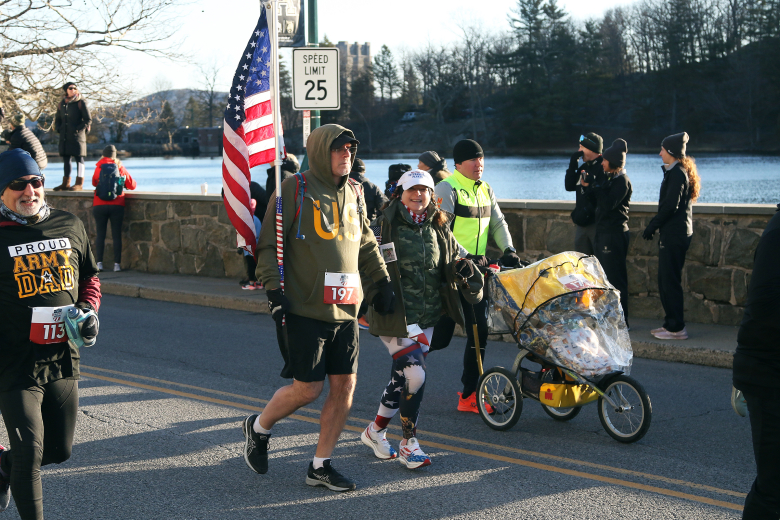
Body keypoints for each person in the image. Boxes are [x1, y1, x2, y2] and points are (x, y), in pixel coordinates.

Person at [244, 124, 392, 492]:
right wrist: (273, 293)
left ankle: (320, 465)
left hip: (346, 310)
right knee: (307, 390)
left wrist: (383, 282)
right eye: (339, 149)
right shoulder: (296, 188)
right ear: (321, 150)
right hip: (303, 308)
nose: (347, 155)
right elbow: (267, 246)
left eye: (351, 150)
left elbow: (368, 244)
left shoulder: (356, 192)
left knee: (345, 385)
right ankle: (259, 428)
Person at [0, 149, 101, 520]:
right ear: (1, 191)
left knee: (58, 451)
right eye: (17, 184)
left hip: (60, 355)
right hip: (12, 359)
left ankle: (1, 467)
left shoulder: (69, 224)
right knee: (29, 454)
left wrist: (89, 309)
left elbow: (89, 276)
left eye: (35, 181)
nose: (29, 190)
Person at [360, 170, 483, 468]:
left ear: (432, 195)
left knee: (401, 377)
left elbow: (456, 254)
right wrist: (376, 290)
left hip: (427, 314)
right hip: (393, 314)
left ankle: (374, 431)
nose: (419, 196)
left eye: (425, 190)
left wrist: (468, 265)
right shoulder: (384, 224)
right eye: (412, 190)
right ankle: (408, 442)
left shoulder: (439, 224)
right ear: (399, 193)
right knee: (416, 374)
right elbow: (364, 257)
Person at [431, 139, 523, 413]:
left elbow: (497, 222)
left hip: (473, 276)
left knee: (478, 331)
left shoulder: (485, 190)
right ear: (458, 163)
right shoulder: (446, 189)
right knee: (438, 337)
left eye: (481, 159)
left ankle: (469, 394)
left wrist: (509, 249)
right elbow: (440, 232)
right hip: (449, 273)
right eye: (473, 159)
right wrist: (465, 255)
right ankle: (404, 369)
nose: (479, 164)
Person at [732, 203, 780, 520]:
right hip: (767, 374)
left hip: (763, 368)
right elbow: (763, 312)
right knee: (772, 490)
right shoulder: (778, 234)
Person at [642, 132, 700, 340]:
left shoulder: (677, 174)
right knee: (665, 280)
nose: (660, 154)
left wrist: (652, 226)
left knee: (670, 282)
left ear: (672, 152)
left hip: (675, 235)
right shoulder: (675, 172)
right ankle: (670, 324)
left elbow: (670, 207)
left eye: (663, 150)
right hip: (675, 233)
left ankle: (676, 328)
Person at [586, 138, 632, 326]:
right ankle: (610, 317)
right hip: (605, 233)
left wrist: (595, 187)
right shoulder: (612, 179)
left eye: (605, 160)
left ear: (613, 162)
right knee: (605, 278)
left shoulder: (622, 182)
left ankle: (622, 319)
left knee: (615, 279)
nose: (602, 163)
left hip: (614, 235)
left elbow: (606, 204)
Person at [91, 145, 136, 272]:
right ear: (114, 155)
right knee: (117, 235)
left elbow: (94, 182)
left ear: (103, 155)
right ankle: (117, 265)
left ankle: (99, 263)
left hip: (99, 204)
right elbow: (132, 185)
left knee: (100, 234)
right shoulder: (120, 167)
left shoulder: (99, 167)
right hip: (117, 204)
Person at [564, 133, 604, 254]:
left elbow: (602, 196)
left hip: (596, 224)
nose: (579, 151)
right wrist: (573, 164)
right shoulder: (584, 167)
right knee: (582, 264)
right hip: (582, 224)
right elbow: (569, 186)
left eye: (582, 148)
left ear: (591, 149)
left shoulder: (604, 167)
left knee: (599, 263)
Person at [53, 82, 91, 191]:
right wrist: (58, 128)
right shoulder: (62, 104)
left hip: (77, 137)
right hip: (65, 137)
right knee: (66, 159)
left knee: (79, 159)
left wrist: (77, 129)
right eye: (70, 88)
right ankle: (65, 184)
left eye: (75, 88)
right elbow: (58, 119)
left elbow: (88, 120)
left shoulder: (80, 102)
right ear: (66, 90)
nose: (73, 90)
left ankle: (79, 183)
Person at [349, 158, 387, 223]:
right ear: (363, 172)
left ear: (349, 170)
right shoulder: (373, 187)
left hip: (348, 227)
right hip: (369, 225)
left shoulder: (341, 185)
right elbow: (385, 208)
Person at [240, 198, 262, 290]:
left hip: (249, 246)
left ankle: (251, 283)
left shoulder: (248, 219)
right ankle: (259, 282)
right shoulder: (257, 219)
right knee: (257, 264)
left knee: (250, 265)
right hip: (257, 245)